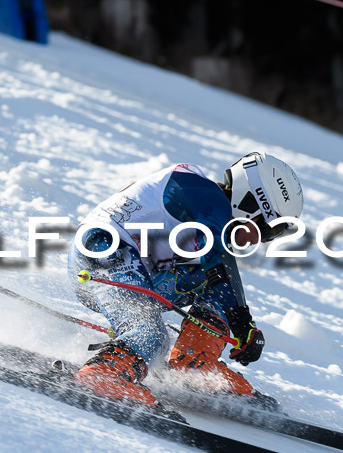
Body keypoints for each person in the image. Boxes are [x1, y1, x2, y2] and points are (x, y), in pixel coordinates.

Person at [67, 152, 304, 407]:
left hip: (133, 270)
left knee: (214, 289)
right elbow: (218, 260)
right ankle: (102, 375)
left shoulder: (209, 213)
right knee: (153, 336)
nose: (262, 241)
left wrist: (241, 321)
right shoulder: (203, 194)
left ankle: (194, 363)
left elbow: (216, 270)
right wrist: (242, 321)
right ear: (251, 203)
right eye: (269, 229)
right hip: (102, 254)